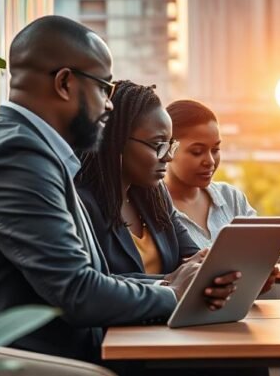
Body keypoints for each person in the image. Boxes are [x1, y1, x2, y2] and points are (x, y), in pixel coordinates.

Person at [0, 16, 240, 363]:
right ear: (65, 83)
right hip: (9, 364)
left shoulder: (32, 152)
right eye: (104, 88)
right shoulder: (16, 157)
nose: (109, 105)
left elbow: (93, 280)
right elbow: (78, 293)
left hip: (47, 355)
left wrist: (171, 284)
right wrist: (175, 293)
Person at [77, 82, 201, 277]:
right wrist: (170, 283)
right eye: (158, 144)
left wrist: (226, 273)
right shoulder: (81, 203)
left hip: (174, 308)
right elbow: (95, 284)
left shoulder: (155, 195)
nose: (168, 156)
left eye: (171, 145)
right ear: (118, 141)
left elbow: (192, 256)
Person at [165, 99, 258, 249]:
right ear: (168, 149)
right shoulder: (153, 209)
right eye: (197, 152)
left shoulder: (231, 198)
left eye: (215, 150)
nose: (210, 161)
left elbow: (257, 248)